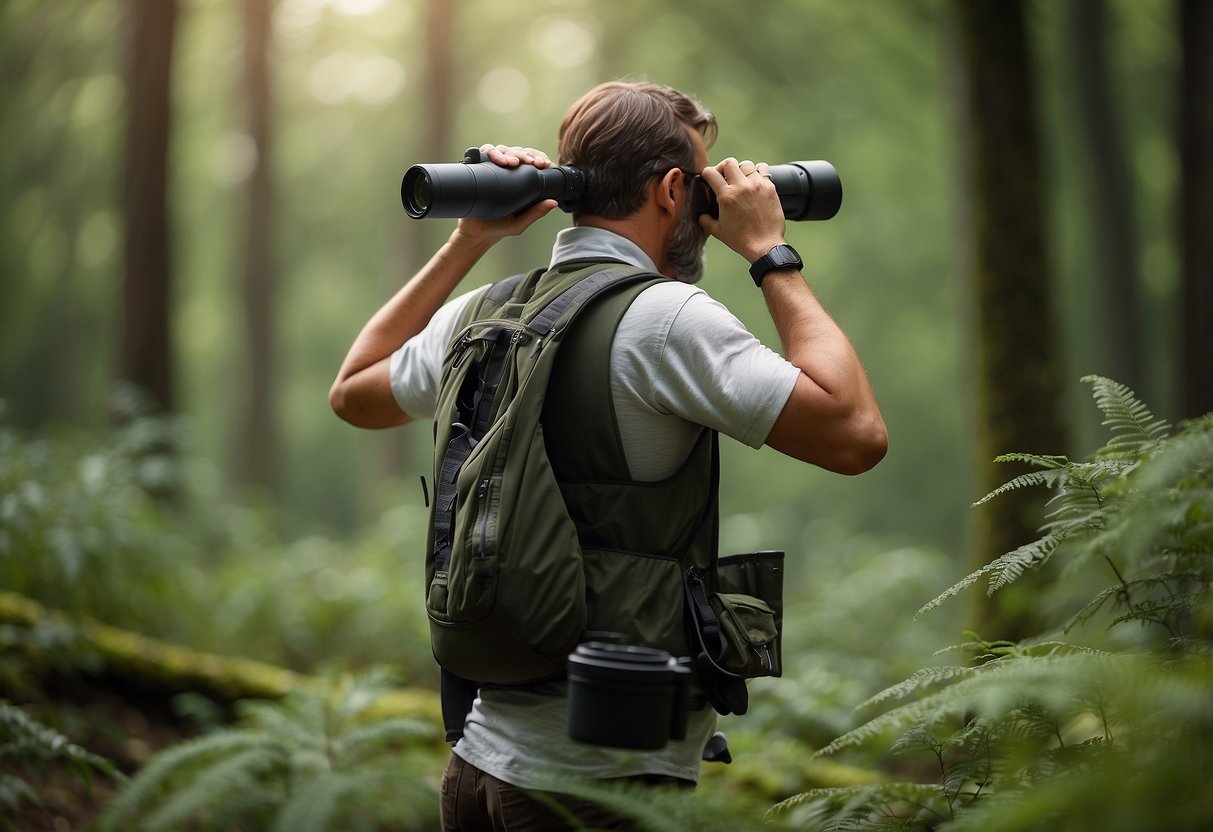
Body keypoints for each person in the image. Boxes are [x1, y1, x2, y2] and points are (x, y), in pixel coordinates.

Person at [330, 80, 887, 831]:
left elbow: (355, 391)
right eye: (701, 178)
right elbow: (855, 435)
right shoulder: (667, 320)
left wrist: (469, 242)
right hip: (596, 786)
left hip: (477, 766)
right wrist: (768, 250)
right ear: (668, 190)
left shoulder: (486, 311)